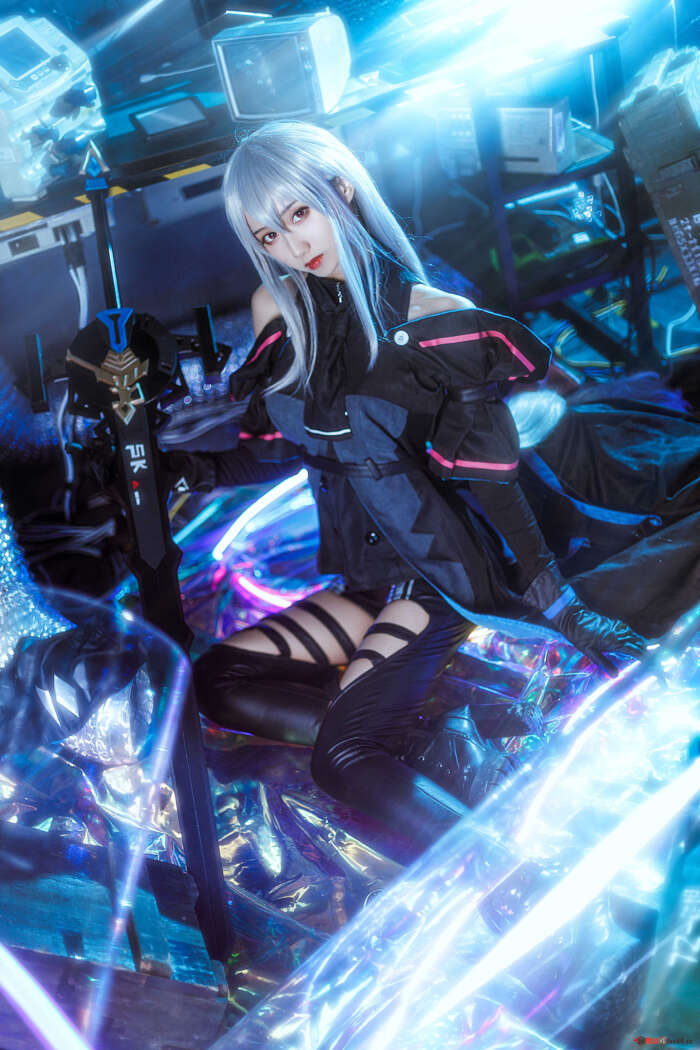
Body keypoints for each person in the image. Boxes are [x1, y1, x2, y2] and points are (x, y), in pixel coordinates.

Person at [167, 121, 646, 857]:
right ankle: (430, 733)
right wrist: (183, 470)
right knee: (216, 677)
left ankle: (513, 873)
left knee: (342, 758)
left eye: (299, 213)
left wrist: (559, 602)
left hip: (436, 578)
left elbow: (496, 477)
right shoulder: (280, 312)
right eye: (268, 235)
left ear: (341, 190)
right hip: (367, 579)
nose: (293, 245)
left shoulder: (431, 319)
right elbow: (286, 449)